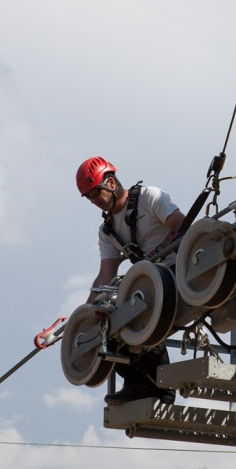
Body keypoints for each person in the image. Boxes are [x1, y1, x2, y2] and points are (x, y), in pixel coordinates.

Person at [76, 156, 186, 405]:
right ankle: (140, 384)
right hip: (150, 284)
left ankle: (163, 390)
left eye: (95, 194)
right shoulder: (108, 232)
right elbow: (106, 274)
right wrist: (86, 316)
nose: (94, 202)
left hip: (178, 271)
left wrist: (157, 259)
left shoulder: (150, 198)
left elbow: (180, 225)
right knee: (109, 320)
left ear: (111, 183)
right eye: (89, 198)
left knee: (140, 309)